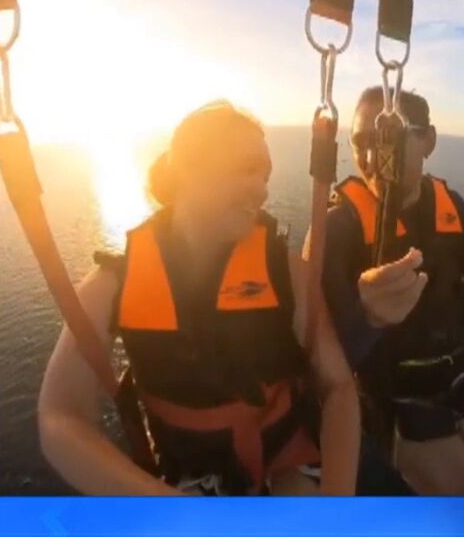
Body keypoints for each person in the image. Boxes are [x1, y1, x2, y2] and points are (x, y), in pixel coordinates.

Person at [38, 101, 360, 496]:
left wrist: (336, 503)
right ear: (188, 168)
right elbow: (60, 417)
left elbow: (339, 386)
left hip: (286, 460)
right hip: (189, 479)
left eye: (265, 176)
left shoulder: (286, 273)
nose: (262, 189)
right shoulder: (113, 284)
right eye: (247, 169)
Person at [320, 86, 464, 495]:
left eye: (389, 138)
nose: (374, 159)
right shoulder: (341, 227)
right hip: (398, 402)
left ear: (429, 142)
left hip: (459, 378)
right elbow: (323, 362)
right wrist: (366, 318)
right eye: (361, 143)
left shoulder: (448, 204)